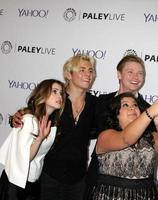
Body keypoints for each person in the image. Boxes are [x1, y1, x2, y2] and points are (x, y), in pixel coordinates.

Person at [86, 54, 158, 196]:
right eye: (130, 72)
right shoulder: (101, 102)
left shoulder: (147, 108)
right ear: (119, 74)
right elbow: (89, 131)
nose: (135, 77)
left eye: (140, 73)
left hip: (143, 190)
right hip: (103, 182)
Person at [9, 54, 98, 200]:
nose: (88, 74)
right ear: (69, 74)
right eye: (82, 70)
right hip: (49, 175)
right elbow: (34, 111)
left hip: (78, 178)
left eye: (90, 70)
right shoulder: (56, 98)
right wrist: (17, 117)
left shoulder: (95, 103)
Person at [87, 92, 158, 200]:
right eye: (125, 105)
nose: (132, 108)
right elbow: (126, 139)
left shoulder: (148, 136)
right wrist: (151, 111)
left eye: (135, 105)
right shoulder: (106, 135)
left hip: (146, 195)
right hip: (112, 195)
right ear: (116, 113)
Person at [0, 79, 65, 200]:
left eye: (61, 93)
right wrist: (40, 139)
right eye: (54, 91)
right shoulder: (29, 120)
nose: (59, 96)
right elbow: (25, 157)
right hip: (15, 184)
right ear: (43, 94)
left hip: (34, 184)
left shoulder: (51, 123)